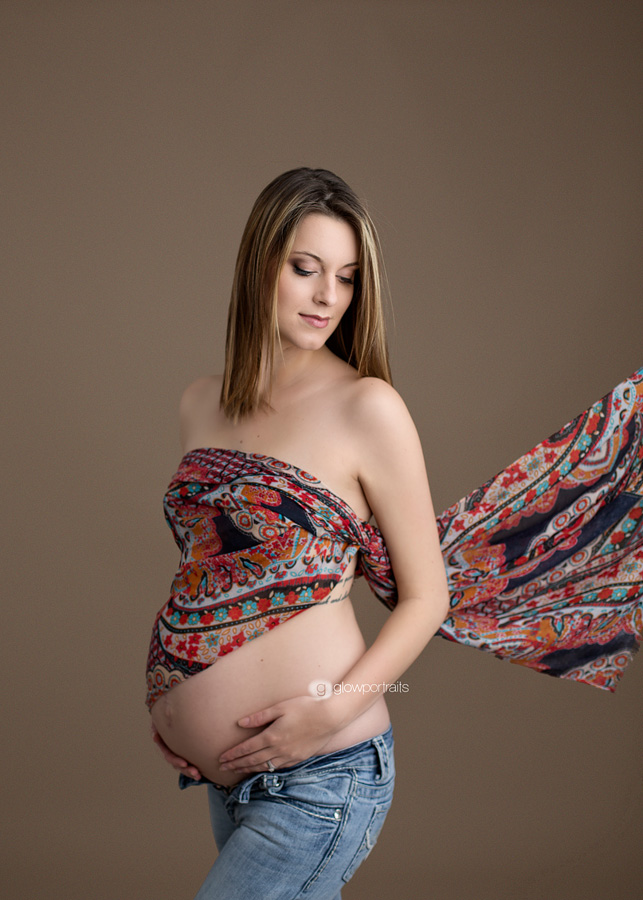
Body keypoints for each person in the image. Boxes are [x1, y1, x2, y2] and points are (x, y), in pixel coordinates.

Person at [146, 167, 451, 899]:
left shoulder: (367, 407)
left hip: (320, 771)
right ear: (260, 264)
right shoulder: (199, 403)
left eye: (345, 278)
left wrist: (328, 716)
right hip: (227, 777)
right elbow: (210, 572)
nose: (326, 297)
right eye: (304, 268)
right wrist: (176, 699)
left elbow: (427, 597)